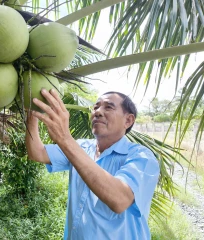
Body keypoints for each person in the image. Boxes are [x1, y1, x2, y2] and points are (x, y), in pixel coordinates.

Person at [25, 89, 160, 240]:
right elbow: (37, 153)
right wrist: (32, 112)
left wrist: (65, 139)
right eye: (96, 107)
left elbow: (119, 199)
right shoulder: (82, 147)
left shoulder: (142, 157)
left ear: (128, 120)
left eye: (108, 107)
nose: (98, 112)